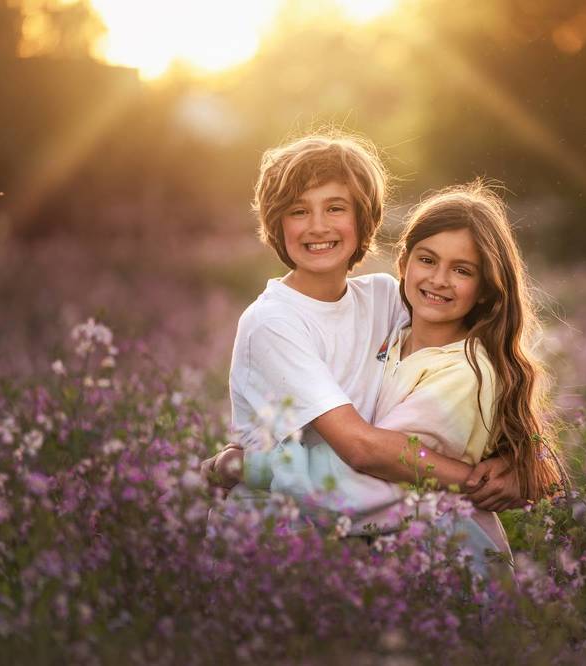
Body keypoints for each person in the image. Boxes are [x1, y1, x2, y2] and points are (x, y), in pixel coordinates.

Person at [200, 132, 524, 523]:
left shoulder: (383, 298)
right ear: (277, 224)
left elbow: (471, 350)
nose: (318, 226)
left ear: (362, 218)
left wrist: (520, 467)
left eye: (335, 208)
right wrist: (472, 481)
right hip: (274, 527)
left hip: (353, 525)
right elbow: (360, 449)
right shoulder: (272, 322)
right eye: (298, 211)